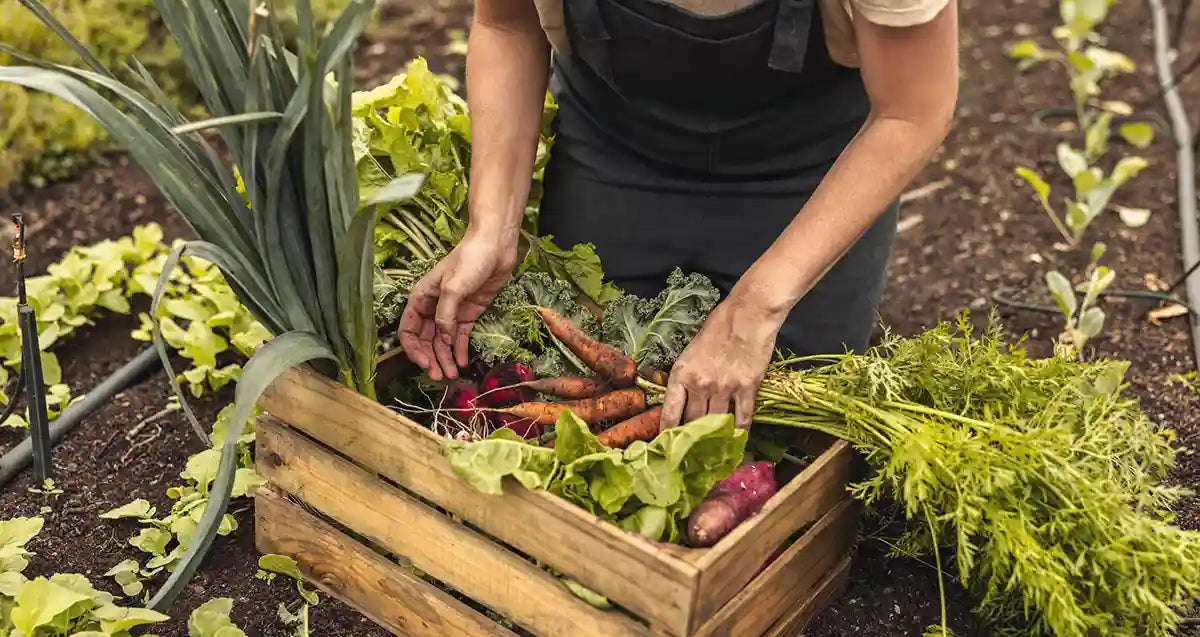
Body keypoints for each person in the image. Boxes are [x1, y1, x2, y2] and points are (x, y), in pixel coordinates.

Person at [398, 0, 959, 431]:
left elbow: (911, 111)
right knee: (585, 386)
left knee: (790, 429)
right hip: (616, 148)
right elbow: (507, 24)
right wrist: (491, 231)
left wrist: (756, 308)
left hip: (809, 168)